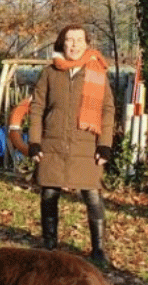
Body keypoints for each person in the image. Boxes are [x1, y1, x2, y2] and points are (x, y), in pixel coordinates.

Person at [27, 24, 115, 267]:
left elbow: (107, 110)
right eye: (69, 40)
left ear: (87, 44)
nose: (74, 45)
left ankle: (98, 250)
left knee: (93, 195)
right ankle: (50, 246)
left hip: (86, 144)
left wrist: (104, 145)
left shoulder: (97, 72)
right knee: (49, 194)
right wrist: (34, 141)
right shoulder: (49, 73)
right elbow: (37, 109)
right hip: (53, 142)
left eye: (79, 40)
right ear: (61, 44)